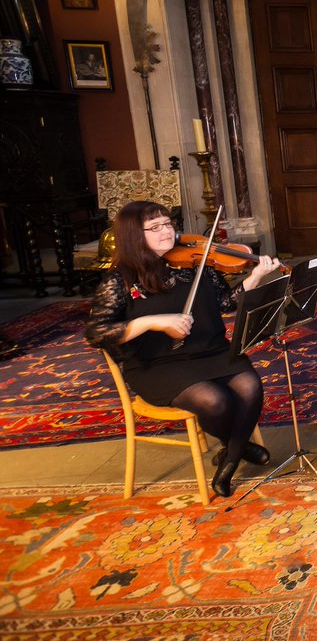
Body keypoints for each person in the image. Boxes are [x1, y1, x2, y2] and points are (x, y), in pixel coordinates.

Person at [85, 201, 283, 498]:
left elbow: (226, 303)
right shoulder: (120, 279)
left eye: (168, 224)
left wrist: (254, 278)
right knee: (215, 401)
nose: (168, 232)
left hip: (211, 351)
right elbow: (97, 332)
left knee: (250, 385)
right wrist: (151, 322)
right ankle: (238, 446)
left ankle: (230, 457)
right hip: (157, 364)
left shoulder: (194, 264)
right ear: (133, 235)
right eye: (156, 227)